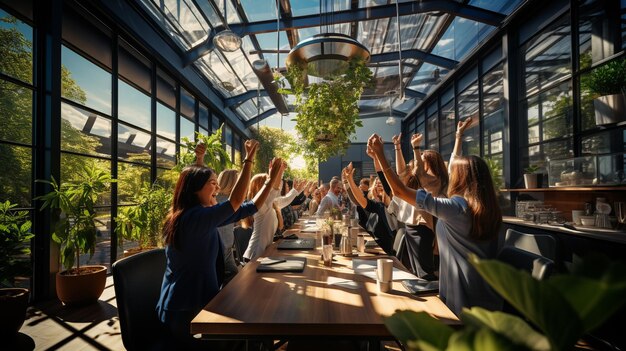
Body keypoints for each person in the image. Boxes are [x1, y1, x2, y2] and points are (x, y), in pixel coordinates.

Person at [156, 140, 282, 345]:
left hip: (201, 303)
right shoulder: (194, 218)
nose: (218, 188)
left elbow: (251, 206)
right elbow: (235, 202)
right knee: (253, 321)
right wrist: (248, 159)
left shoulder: (203, 215)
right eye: (213, 183)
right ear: (195, 190)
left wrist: (269, 182)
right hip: (185, 314)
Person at [368, 133, 502, 316]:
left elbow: (399, 190)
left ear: (462, 179)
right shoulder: (489, 211)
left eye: (454, 173)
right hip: (485, 298)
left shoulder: (456, 208)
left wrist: (381, 155)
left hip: (462, 305)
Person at [388, 133, 448, 280]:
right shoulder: (418, 179)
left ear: (431, 163)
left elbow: (420, 171)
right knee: (416, 269)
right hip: (412, 225)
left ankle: (433, 298)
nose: (417, 162)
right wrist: (397, 147)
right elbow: (401, 172)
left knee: (424, 270)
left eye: (422, 160)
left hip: (423, 227)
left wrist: (415, 148)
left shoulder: (435, 180)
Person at [242, 163, 306, 261]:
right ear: (261, 188)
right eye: (269, 182)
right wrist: (278, 172)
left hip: (263, 253)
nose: (274, 184)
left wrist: (295, 191)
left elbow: (286, 199)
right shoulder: (261, 206)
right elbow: (275, 188)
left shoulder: (272, 203)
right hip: (254, 256)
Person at [342, 161, 396, 256]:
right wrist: (348, 180)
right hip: (372, 246)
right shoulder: (376, 203)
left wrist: (349, 180)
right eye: (377, 183)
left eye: (382, 184)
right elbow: (357, 200)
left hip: (384, 251)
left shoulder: (391, 204)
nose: (379, 185)